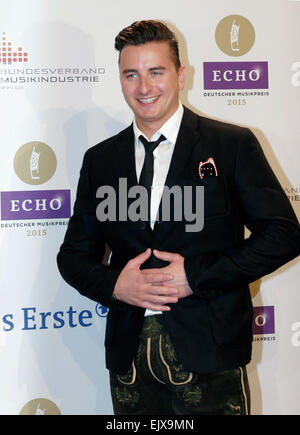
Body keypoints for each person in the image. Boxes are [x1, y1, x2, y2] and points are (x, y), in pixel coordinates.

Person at [57, 20, 300, 415]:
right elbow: (72, 256)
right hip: (130, 360)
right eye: (131, 74)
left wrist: (195, 275)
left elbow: (283, 234)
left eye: (156, 72)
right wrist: (116, 284)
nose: (144, 87)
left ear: (181, 75)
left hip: (210, 350)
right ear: (120, 80)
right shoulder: (100, 161)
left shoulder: (231, 145)